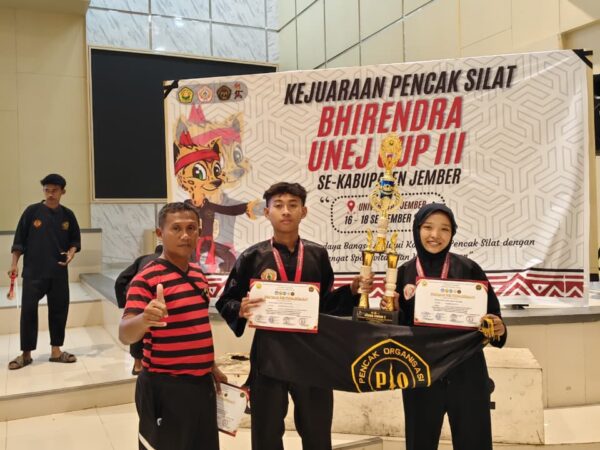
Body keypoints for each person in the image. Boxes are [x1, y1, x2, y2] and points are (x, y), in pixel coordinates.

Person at [216, 182, 368, 450]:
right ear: (267, 213)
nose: (285, 211)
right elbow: (225, 300)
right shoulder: (252, 256)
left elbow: (325, 306)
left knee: (317, 429)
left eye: (293, 205)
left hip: (313, 353)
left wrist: (352, 291)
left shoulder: (317, 254)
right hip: (269, 353)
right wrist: (239, 308)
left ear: (303, 212)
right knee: (266, 431)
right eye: (278, 205)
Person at [382, 203, 507, 450]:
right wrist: (393, 312)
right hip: (421, 374)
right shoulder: (404, 273)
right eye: (428, 227)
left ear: (452, 233)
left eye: (444, 229)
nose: (435, 235)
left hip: (467, 372)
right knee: (420, 443)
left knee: (475, 441)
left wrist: (498, 327)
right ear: (417, 230)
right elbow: (399, 330)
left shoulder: (469, 268)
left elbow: (493, 315)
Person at [119, 202, 226, 450]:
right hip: (165, 387)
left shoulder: (198, 274)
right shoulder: (146, 278)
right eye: (176, 228)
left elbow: (195, 325)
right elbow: (125, 334)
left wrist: (209, 365)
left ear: (199, 232)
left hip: (201, 385)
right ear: (160, 233)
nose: (185, 235)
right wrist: (144, 319)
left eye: (191, 228)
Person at [7, 173, 81, 370]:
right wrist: (14, 264)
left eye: (54, 190)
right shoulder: (32, 212)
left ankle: (56, 351)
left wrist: (71, 253)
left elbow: (75, 241)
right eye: (47, 190)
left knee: (59, 310)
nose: (50, 194)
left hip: (58, 272)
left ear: (63, 192)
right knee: (28, 312)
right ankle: (26, 354)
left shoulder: (68, 215)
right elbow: (19, 241)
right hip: (33, 272)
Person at [114, 244, 163, 375]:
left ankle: (137, 365)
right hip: (159, 296)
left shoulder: (143, 259)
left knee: (138, 326)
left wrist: (124, 303)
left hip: (139, 293)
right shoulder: (169, 262)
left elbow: (121, 279)